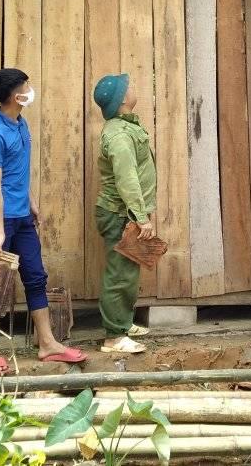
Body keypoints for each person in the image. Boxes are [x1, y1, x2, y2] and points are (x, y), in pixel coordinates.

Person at [0, 68, 86, 375]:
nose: (30, 89)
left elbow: (17, 173)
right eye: (26, 85)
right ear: (14, 94)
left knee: (36, 278)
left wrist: (31, 202)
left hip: (22, 218)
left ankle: (48, 344)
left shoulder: (20, 124)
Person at [92, 74, 156, 354]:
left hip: (125, 213)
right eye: (128, 87)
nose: (133, 87)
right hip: (120, 214)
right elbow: (126, 178)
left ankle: (123, 323)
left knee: (128, 272)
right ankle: (114, 338)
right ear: (121, 101)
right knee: (120, 274)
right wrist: (141, 217)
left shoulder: (125, 127)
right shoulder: (119, 135)